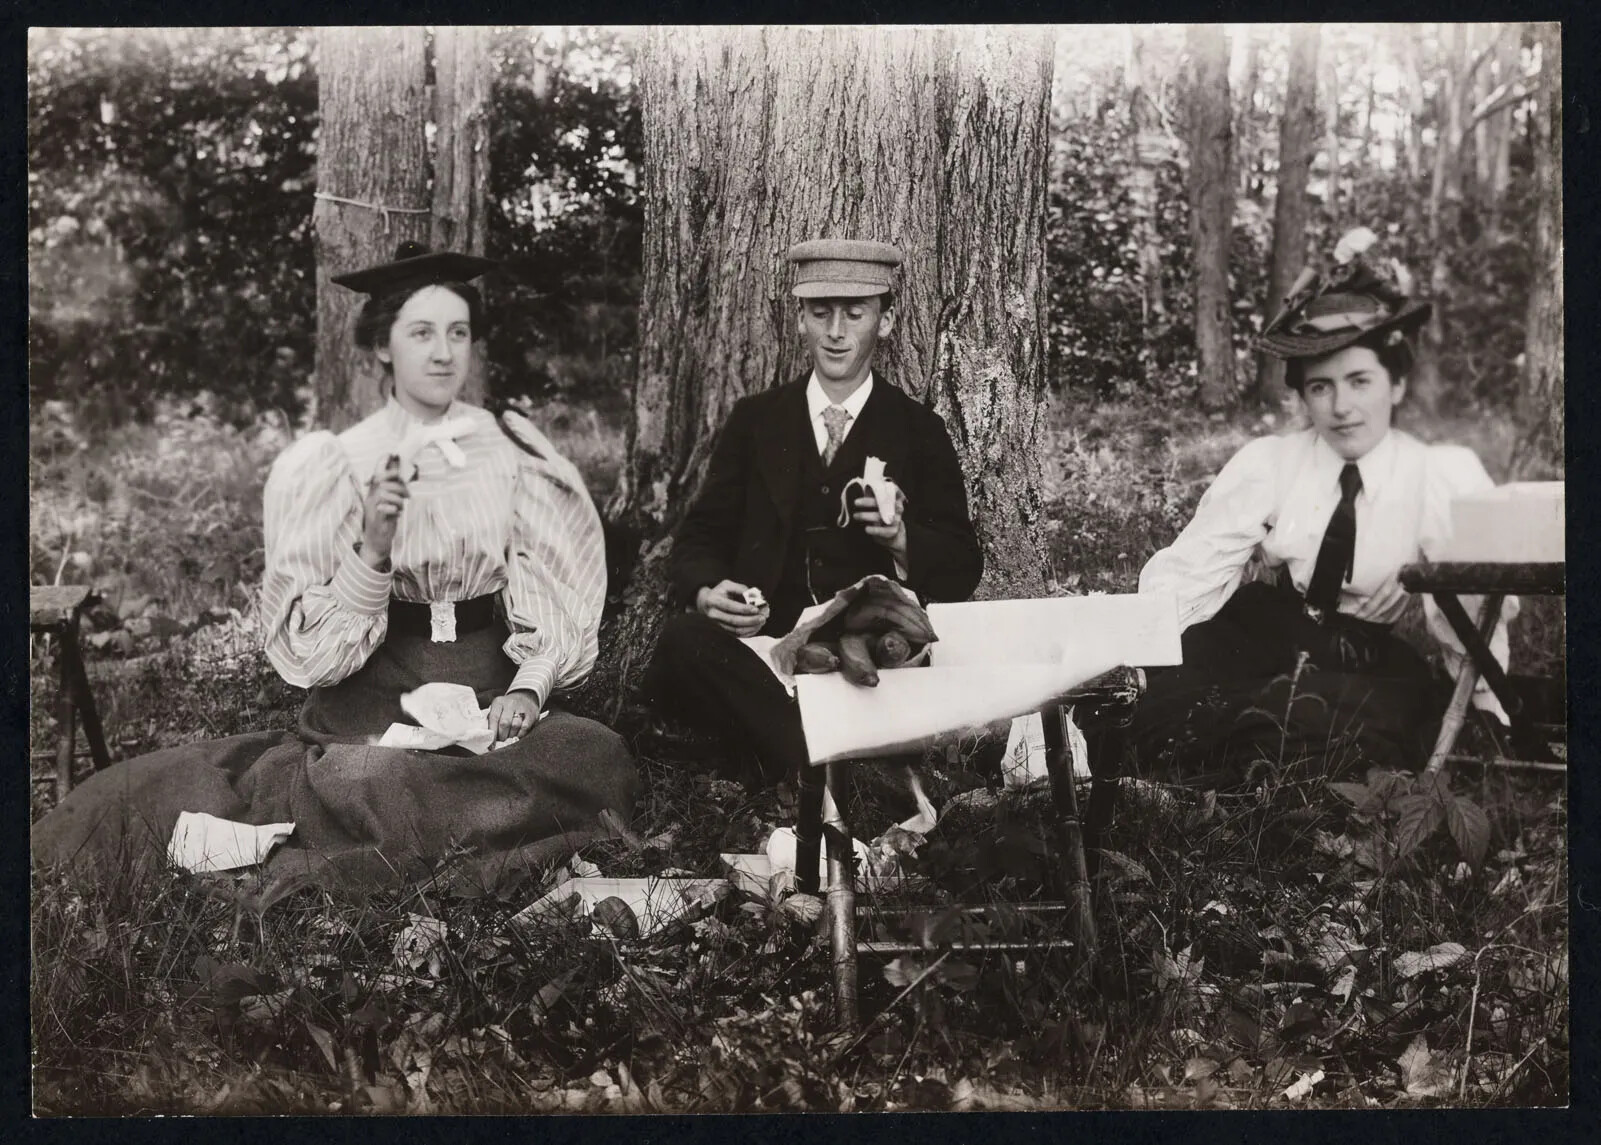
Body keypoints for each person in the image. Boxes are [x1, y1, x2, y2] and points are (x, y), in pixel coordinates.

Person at [34, 243, 637, 900]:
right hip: (374, 700)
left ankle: (416, 824)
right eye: (421, 333)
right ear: (383, 346)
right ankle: (408, 826)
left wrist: (529, 686)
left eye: (458, 333)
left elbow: (544, 592)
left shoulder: (510, 455)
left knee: (591, 753)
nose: (443, 353)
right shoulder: (335, 464)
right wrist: (372, 551)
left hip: (490, 693)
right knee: (370, 780)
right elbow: (309, 652)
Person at [1131, 230, 1517, 786]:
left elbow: (1469, 612)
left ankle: (1260, 771)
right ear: (1304, 396)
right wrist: (1130, 660)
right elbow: (1191, 575)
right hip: (1267, 630)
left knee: (1350, 730)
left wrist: (1490, 711)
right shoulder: (1272, 462)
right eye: (1320, 388)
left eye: (1360, 381)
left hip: (1361, 654)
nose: (1342, 407)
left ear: (1398, 385)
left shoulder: (1437, 475)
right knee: (1168, 704)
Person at [643, 238, 983, 789]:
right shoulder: (756, 421)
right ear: (800, 320)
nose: (836, 332)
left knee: (902, 667)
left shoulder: (919, 431)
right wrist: (711, 593)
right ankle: (837, 767)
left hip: (871, 658)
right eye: (820, 313)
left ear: (887, 321)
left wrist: (899, 539)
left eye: (856, 313)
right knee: (684, 642)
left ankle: (798, 763)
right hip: (767, 654)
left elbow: (964, 565)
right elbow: (700, 535)